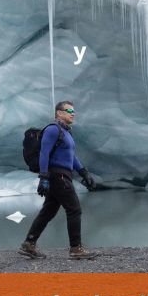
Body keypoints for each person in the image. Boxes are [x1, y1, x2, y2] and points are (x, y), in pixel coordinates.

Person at [19, 100, 99, 259]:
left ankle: (29, 244)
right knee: (74, 209)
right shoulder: (52, 130)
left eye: (73, 111)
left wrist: (84, 173)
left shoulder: (66, 133)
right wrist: (43, 177)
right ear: (59, 113)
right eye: (69, 111)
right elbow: (44, 153)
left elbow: (72, 157)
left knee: (48, 211)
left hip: (63, 174)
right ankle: (76, 248)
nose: (73, 114)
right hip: (58, 175)